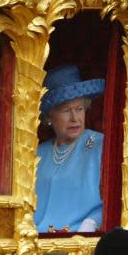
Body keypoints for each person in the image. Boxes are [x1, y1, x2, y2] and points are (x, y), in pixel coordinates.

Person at [35, 65, 105, 234]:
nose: (75, 118)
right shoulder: (39, 153)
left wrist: (91, 223)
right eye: (66, 110)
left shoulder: (98, 145)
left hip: (79, 240)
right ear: (50, 116)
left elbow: (117, 198)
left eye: (79, 109)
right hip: (34, 239)